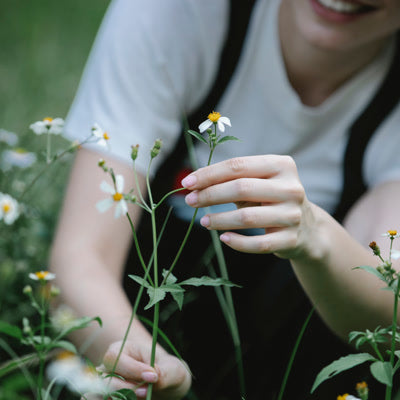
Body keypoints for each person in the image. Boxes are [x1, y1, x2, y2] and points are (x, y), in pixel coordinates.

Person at [50, 0, 400, 398]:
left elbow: (389, 318)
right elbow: (80, 258)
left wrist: (315, 236)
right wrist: (143, 364)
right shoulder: (177, 13)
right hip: (138, 314)